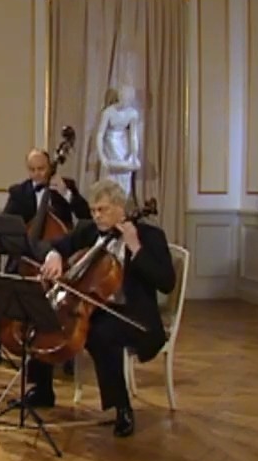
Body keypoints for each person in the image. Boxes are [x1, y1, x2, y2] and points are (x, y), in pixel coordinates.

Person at [28, 179, 175, 437]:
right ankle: (42, 390)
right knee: (47, 315)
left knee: (100, 334)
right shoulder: (88, 230)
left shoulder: (149, 236)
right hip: (97, 308)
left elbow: (166, 282)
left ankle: (122, 408)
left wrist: (135, 247)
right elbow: (53, 244)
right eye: (93, 210)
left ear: (120, 207)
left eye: (102, 210)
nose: (96, 216)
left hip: (134, 316)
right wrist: (54, 255)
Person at [0, 148, 91, 368]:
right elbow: (6, 222)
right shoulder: (19, 192)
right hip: (26, 256)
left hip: (58, 257)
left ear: (50, 167)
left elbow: (86, 217)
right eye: (33, 169)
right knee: (4, 292)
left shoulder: (65, 186)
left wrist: (66, 194)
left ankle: (67, 354)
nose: (37, 174)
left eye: (42, 169)